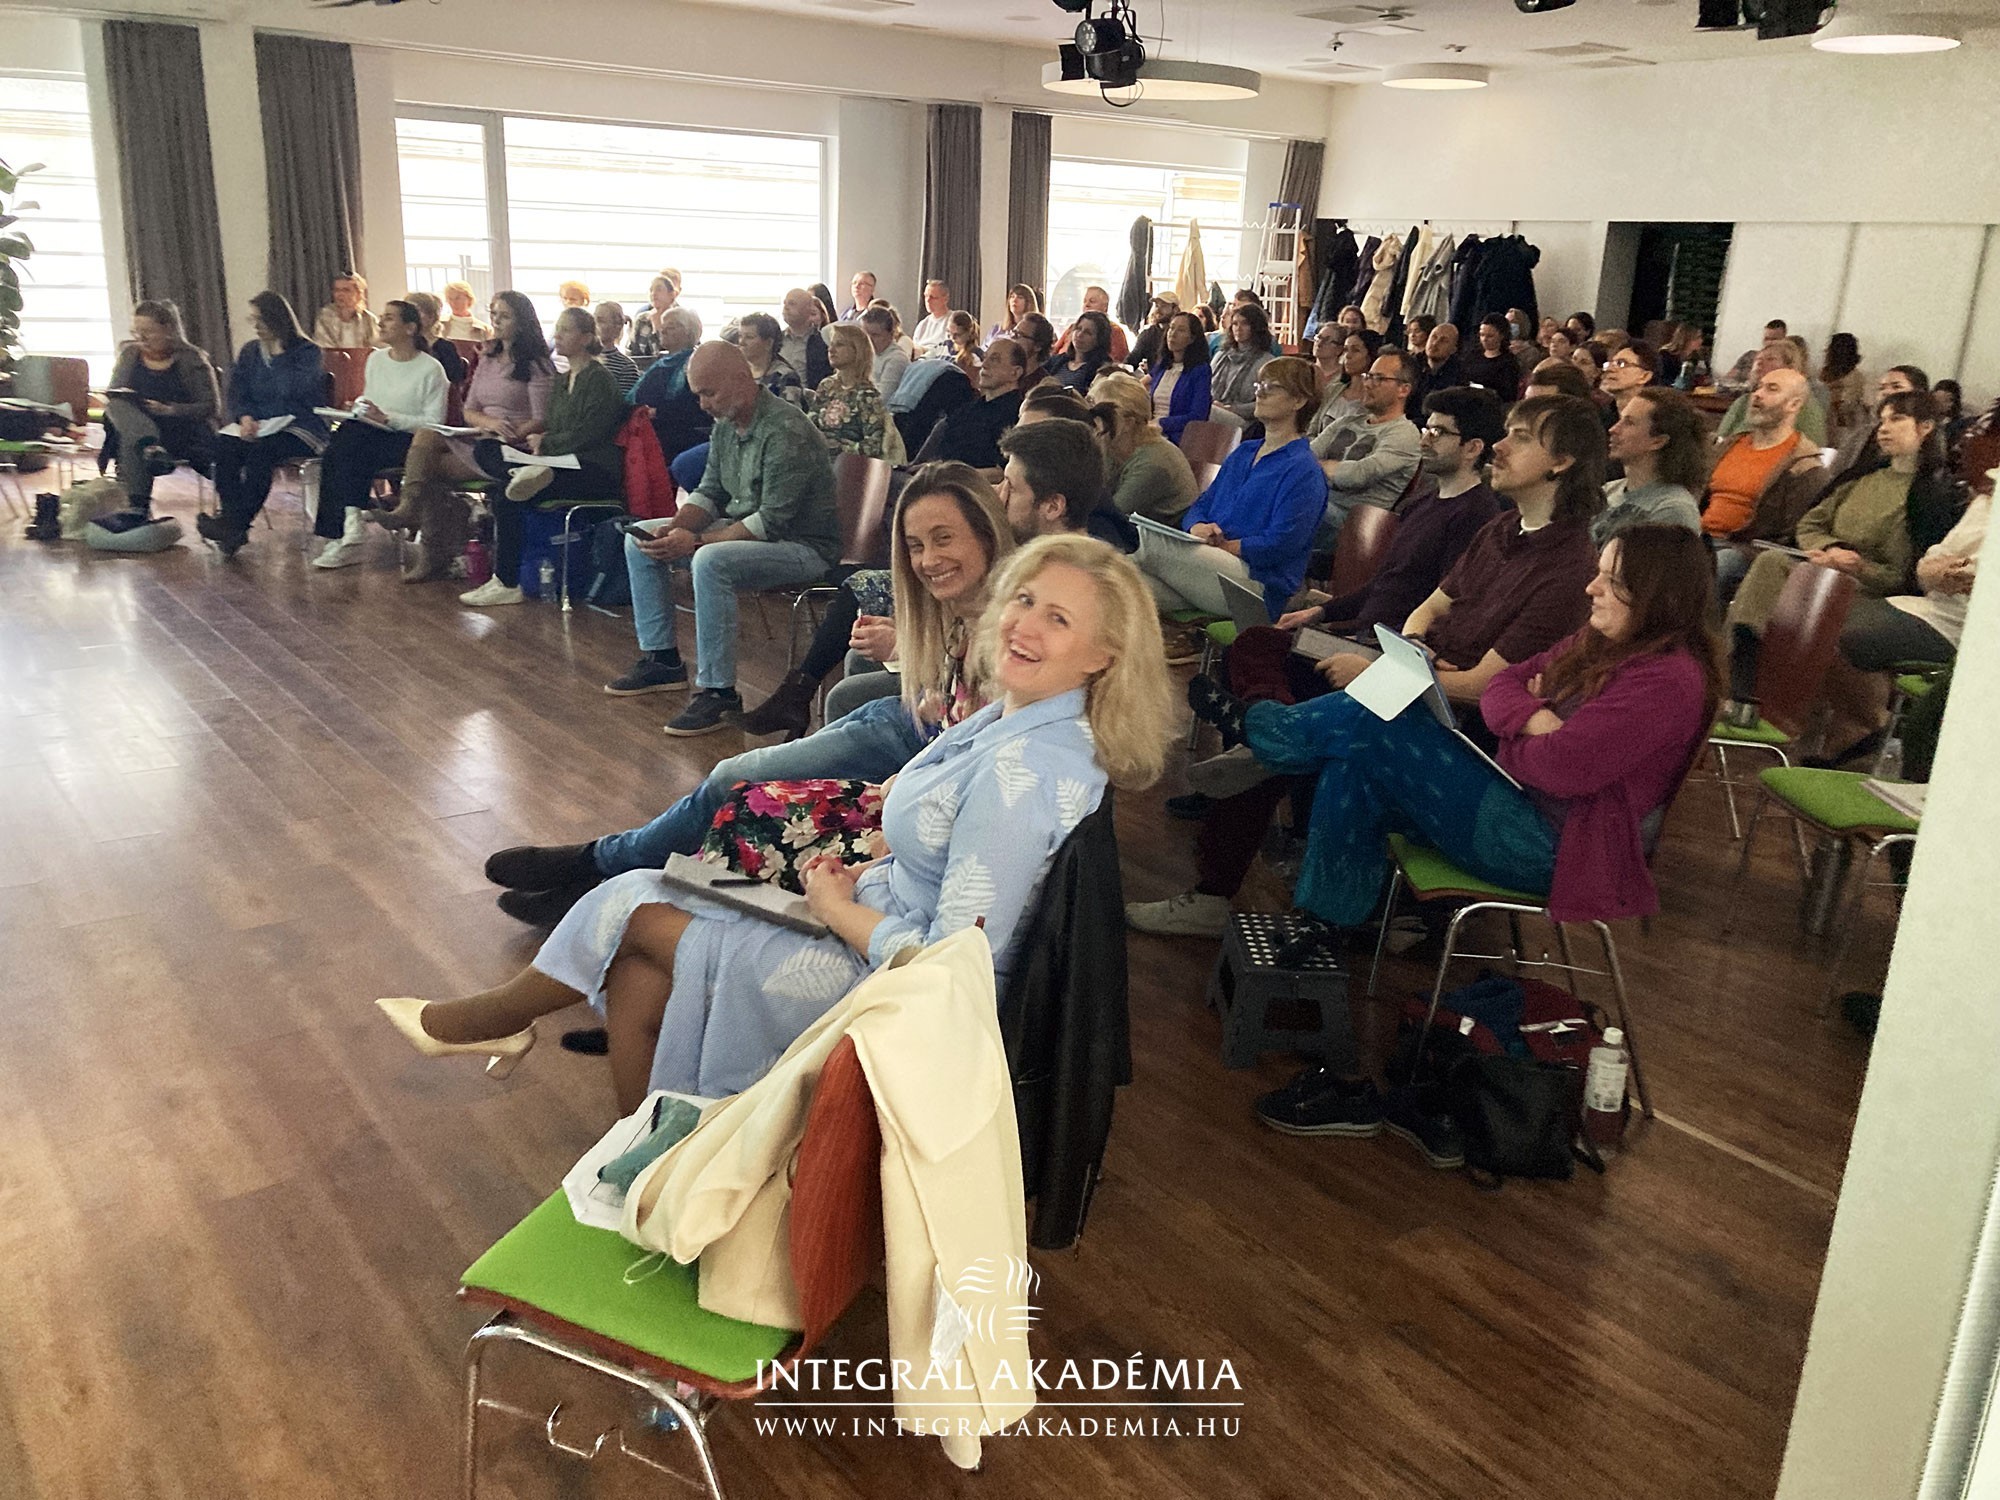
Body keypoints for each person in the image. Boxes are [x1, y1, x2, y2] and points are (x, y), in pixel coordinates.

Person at [387, 532, 1175, 1113]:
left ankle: (501, 1024)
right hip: (867, 920)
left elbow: (951, 968)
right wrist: (870, 866)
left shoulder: (1026, 770)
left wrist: (838, 906)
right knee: (654, 911)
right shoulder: (1022, 719)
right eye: (1026, 600)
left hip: (886, 989)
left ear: (1103, 654)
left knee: (633, 908)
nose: (1024, 625)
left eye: (1057, 619)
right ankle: (645, 1155)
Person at [1243, 527, 1719, 1138]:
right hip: (1521, 804)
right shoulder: (1602, 642)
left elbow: (1562, 768)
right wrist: (1535, 722)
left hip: (1556, 849)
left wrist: (1524, 735)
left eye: (1613, 581)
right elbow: (1501, 687)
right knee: (1357, 761)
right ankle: (1325, 930)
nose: (1591, 587)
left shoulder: (1669, 680)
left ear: (1657, 597)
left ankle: (1263, 737)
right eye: (1600, 571)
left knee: (1378, 728)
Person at [1124, 387, 1524, 939]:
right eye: (1427, 427)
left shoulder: (1476, 517)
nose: (1426, 438)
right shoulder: (1427, 503)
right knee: (1256, 643)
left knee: (1264, 682)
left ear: (1473, 447)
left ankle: (1261, 759)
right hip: (1363, 639)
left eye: (1439, 431)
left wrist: (1374, 652)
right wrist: (1323, 611)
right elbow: (1386, 588)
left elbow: (1441, 617)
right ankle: (1268, 736)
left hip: (1388, 659)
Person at [612, 342, 842, 734]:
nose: (702, 404)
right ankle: (662, 659)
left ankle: (719, 692)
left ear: (740, 380)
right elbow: (710, 492)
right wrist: (677, 527)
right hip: (754, 534)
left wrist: (695, 542)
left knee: (709, 560)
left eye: (709, 393)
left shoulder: (786, 429)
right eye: (698, 394)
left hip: (805, 547)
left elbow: (772, 522)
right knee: (644, 539)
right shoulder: (726, 425)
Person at [1722, 390, 1959, 725]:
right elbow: (1811, 522)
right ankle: (1744, 674)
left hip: (1873, 588)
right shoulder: (1861, 477)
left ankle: (1771, 699)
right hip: (1823, 567)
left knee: (1799, 592)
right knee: (1771, 563)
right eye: (1882, 420)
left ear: (1925, 427)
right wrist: (1830, 548)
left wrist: (1858, 565)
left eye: (1896, 419)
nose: (1883, 428)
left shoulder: (1932, 495)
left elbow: (1904, 574)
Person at [378, 290, 555, 582]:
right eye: (494, 314)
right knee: (427, 435)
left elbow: (541, 419)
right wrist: (490, 422)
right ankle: (416, 517)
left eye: (505, 316)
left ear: (522, 322)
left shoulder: (537, 364)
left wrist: (507, 431)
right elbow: (468, 409)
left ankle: (425, 537)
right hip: (480, 434)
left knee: (430, 469)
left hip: (513, 446)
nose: (496, 321)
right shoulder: (488, 357)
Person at [457, 305, 627, 607]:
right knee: (487, 450)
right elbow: (554, 424)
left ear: (586, 338)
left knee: (508, 495)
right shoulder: (562, 380)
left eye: (566, 330)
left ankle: (507, 582)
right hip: (559, 462)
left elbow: (589, 433)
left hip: (593, 468)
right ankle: (517, 475)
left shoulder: (599, 379)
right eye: (557, 329)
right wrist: (541, 443)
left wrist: (544, 443)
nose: (557, 336)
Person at [1135, 356, 1323, 622]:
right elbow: (1201, 504)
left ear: (1299, 401)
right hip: (1210, 563)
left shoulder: (1304, 469)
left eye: (1272, 387)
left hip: (1258, 585)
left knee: (1140, 538)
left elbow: (1282, 543)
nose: (1260, 393)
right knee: (1123, 585)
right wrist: (1196, 526)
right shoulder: (1245, 452)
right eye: (1259, 385)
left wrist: (1226, 546)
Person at [310, 299, 448, 568]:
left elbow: (433, 423)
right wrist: (359, 408)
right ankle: (350, 526)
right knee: (346, 440)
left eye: (389, 318)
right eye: (382, 317)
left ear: (410, 328)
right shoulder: (376, 359)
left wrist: (387, 418)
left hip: (409, 441)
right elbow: (370, 398)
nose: (381, 322)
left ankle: (345, 531)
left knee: (346, 446)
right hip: (370, 433)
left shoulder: (431, 369)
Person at [196, 291, 329, 556]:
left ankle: (235, 524)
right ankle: (232, 522)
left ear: (277, 320)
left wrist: (278, 354)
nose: (256, 326)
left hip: (300, 425)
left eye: (261, 320)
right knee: (225, 448)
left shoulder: (307, 352)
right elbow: (238, 392)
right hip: (260, 424)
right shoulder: (250, 351)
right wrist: (245, 417)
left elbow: (291, 390)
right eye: (253, 319)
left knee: (261, 453)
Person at [1702, 367, 1828, 599]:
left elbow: (1794, 535)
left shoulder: (1804, 467)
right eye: (1758, 387)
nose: (1757, 394)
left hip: (1746, 548)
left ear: (1794, 404)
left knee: (1719, 564)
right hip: (1701, 536)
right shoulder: (1730, 446)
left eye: (1772, 389)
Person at [1839, 486, 1984, 673]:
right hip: (1927, 608)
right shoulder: (1985, 506)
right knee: (1824, 621)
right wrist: (1937, 573)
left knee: (1843, 639)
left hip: (1965, 633)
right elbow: (1930, 566)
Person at [98, 298, 220, 517]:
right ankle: (149, 446)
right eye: (136, 332)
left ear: (169, 329)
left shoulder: (191, 359)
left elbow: (210, 407)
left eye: (148, 332)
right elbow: (115, 394)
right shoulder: (129, 355)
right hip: (137, 423)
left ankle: (137, 509)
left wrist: (170, 409)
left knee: (131, 443)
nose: (141, 338)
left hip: (180, 431)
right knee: (116, 407)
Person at [1314, 348, 1422, 538]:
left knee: (1291, 502)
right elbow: (1304, 457)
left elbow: (1359, 475)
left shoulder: (1404, 434)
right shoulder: (1346, 422)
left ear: (1403, 389)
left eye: (1379, 379)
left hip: (1352, 525)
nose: (1368, 384)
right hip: (1319, 506)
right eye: (1368, 376)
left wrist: (1315, 465)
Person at [1088, 370, 1199, 526]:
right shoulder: (1113, 446)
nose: (1091, 420)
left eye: (1100, 415)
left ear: (1128, 423)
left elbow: (1112, 516)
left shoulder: (1153, 462)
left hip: (1166, 535)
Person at [1597, 387, 1706, 544]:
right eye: (1620, 419)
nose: (1613, 429)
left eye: (1629, 423)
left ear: (1657, 441)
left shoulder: (1672, 510)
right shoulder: (1608, 490)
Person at [917, 336, 1030, 470]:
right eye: (985, 358)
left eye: (994, 359)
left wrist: (946, 473)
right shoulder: (969, 408)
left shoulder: (1017, 416)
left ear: (1015, 372)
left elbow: (1003, 471)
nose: (984, 365)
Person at [627, 305, 711, 471]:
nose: (663, 330)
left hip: (677, 439)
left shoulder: (695, 363)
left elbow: (696, 407)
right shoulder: (661, 363)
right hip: (649, 434)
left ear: (688, 332)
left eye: (671, 327)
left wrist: (658, 412)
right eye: (663, 326)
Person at [1713, 339, 1828, 446]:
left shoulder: (1801, 404)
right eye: (1757, 359)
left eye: (1770, 359)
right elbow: (1721, 440)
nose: (1760, 363)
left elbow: (1814, 447)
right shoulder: (1743, 402)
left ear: (1789, 367)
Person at [807, 322, 889, 459]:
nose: (831, 350)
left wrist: (837, 448)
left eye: (839, 344)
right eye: (831, 344)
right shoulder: (826, 386)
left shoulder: (867, 395)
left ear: (857, 350)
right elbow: (808, 426)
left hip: (848, 465)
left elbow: (873, 446)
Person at [1147, 311, 1214, 443]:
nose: (1173, 334)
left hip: (1176, 437)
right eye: (1171, 328)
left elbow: (1198, 416)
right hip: (1151, 430)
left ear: (1192, 338)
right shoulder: (1162, 366)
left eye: (1181, 330)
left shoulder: (1200, 370)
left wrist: (1162, 423)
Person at [1208, 303, 1277, 425]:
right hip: (1213, 410)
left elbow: (1268, 402)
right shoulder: (1220, 356)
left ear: (1256, 327)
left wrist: (1231, 409)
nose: (1238, 328)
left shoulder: (1266, 362)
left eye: (1244, 323)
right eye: (1235, 324)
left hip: (1244, 420)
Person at [1053, 285, 1130, 364]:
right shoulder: (1073, 327)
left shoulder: (1114, 331)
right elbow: (1054, 350)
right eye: (1084, 301)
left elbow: (1116, 360)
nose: (1086, 305)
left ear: (1105, 307)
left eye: (1092, 301)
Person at [403, 292, 467, 385]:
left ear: (431, 317)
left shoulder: (445, 348)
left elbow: (454, 382)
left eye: (416, 312)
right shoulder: (401, 345)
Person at [780, 287, 834, 388]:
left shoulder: (824, 342)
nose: (786, 308)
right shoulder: (776, 339)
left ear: (808, 309)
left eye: (792, 303)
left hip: (810, 395)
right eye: (785, 303)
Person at [1047, 310, 1113, 393]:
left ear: (1099, 339)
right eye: (1078, 329)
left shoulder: (1102, 370)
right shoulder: (1057, 361)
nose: (1079, 335)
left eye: (1088, 333)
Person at [1461, 314, 1522, 402]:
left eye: (1490, 336)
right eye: (1482, 335)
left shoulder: (1509, 362)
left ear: (1502, 336)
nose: (1484, 339)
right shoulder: (1471, 355)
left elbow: (1508, 395)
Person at [858, 304, 910, 405]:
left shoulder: (896, 359)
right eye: (865, 334)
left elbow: (883, 399)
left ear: (891, 334)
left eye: (875, 335)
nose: (869, 339)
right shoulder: (866, 354)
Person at [1821, 332, 1866, 450]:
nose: (1825, 351)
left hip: (1843, 429)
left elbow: (1846, 407)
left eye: (1830, 347)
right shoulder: (1825, 373)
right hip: (1824, 423)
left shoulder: (1855, 378)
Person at [1408, 322, 1466, 412]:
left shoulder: (1461, 372)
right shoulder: (1410, 364)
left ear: (1453, 349)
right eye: (1433, 337)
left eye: (1443, 340)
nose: (1435, 343)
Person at [313, 272, 378, 348]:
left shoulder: (369, 319)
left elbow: (377, 346)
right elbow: (323, 346)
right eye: (337, 290)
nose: (340, 294)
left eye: (346, 290)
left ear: (358, 294)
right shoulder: (325, 317)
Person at [1599, 339, 1658, 419]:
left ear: (1645, 376)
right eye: (1610, 364)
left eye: (1621, 363)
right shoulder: (1600, 417)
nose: (1609, 369)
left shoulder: (1658, 421)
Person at [628, 272, 682, 358]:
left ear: (672, 295)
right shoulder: (642, 320)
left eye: (659, 289)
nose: (653, 293)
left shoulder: (681, 320)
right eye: (651, 290)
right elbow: (633, 352)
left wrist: (658, 329)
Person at [592, 304, 643, 396]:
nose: (594, 325)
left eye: (600, 321)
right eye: (593, 320)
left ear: (617, 327)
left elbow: (623, 401)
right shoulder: (581, 358)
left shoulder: (626, 366)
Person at [1723, 319, 1789, 389]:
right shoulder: (1749, 356)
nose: (1769, 343)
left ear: (1784, 340)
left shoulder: (1786, 361)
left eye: (1774, 339)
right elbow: (1728, 379)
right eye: (1766, 339)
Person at [1129, 292, 1179, 374]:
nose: (1158, 310)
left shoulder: (1180, 334)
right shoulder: (1147, 334)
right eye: (1156, 305)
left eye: (1163, 306)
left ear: (1175, 309)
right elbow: (1133, 360)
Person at [911, 280, 953, 356]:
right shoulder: (922, 324)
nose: (928, 300)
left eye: (933, 297)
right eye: (926, 296)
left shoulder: (953, 321)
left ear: (945, 299)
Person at [944, 311, 984, 378]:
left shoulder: (976, 355)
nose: (952, 338)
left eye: (957, 334)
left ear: (969, 333)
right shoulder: (945, 346)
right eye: (949, 332)